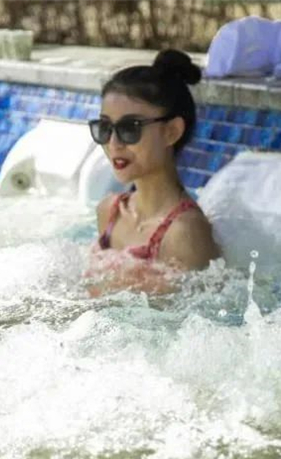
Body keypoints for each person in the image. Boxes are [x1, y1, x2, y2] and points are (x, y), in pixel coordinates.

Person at [89, 49, 221, 294]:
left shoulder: (184, 232)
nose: (114, 143)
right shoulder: (109, 211)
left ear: (172, 132)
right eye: (105, 127)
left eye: (130, 128)